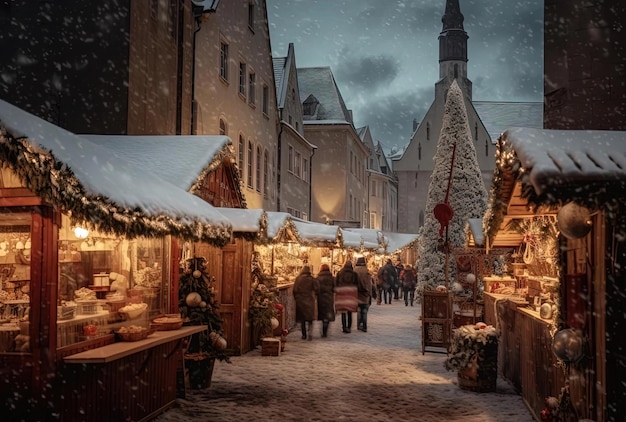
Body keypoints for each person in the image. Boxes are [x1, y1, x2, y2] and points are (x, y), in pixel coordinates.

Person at [293, 265, 320, 340]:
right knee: (310, 318)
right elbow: (317, 289)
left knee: (303, 319)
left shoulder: (298, 279)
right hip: (309, 300)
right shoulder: (312, 279)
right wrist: (315, 295)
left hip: (301, 300)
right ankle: (310, 333)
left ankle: (304, 334)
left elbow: (295, 290)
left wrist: (296, 298)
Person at [334, 260, 359, 333]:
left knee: (343, 311)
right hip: (351, 293)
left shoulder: (340, 273)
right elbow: (357, 284)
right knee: (349, 311)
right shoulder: (354, 274)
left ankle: (344, 327)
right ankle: (349, 327)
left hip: (342, 293)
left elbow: (336, 283)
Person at [354, 257, 375, 332]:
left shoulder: (354, 271)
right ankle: (364, 326)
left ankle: (359, 325)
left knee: (359, 309)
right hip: (366, 293)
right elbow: (371, 284)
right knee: (364, 310)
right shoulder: (367, 272)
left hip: (357, 293)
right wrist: (371, 293)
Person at [316, 263, 335, 337]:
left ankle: (324, 328)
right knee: (327, 313)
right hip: (329, 298)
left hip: (321, 298)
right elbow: (334, 287)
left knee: (322, 313)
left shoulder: (318, 278)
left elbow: (316, 288)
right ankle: (325, 329)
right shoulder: (332, 278)